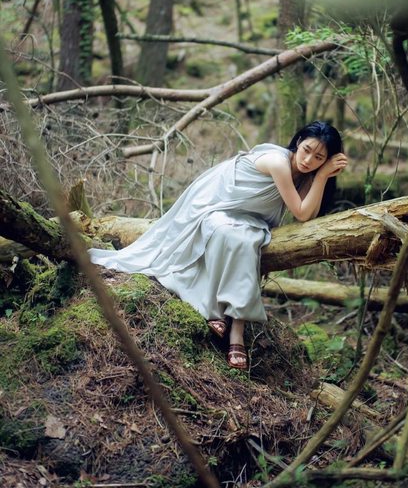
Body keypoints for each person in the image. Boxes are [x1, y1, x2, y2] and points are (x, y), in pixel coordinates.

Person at [88, 121, 348, 370]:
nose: (308, 160)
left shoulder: (305, 173)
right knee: (232, 236)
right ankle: (222, 317)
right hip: (216, 205)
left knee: (246, 240)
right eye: (306, 150)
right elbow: (301, 212)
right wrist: (322, 174)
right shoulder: (278, 162)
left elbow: (307, 214)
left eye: (319, 158)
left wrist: (320, 176)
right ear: (298, 142)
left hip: (247, 219)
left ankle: (235, 328)